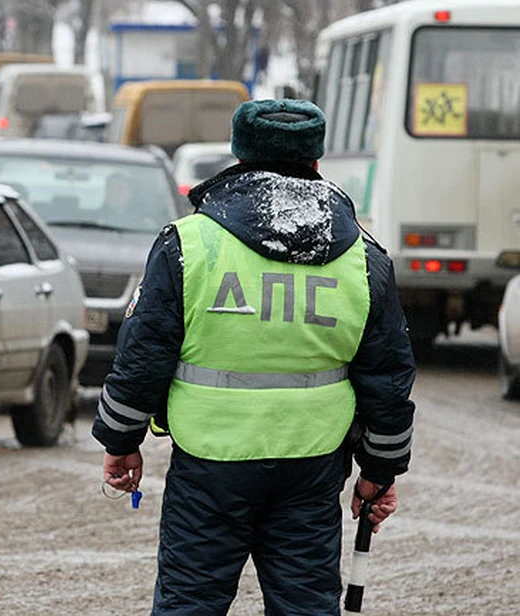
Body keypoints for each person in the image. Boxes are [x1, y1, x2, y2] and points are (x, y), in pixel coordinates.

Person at [94, 99, 416, 615]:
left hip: (208, 463)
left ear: (237, 155)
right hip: (311, 465)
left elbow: (143, 356)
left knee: (190, 605)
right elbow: (389, 377)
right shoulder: (362, 258)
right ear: (316, 162)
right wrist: (381, 469)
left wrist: (120, 440)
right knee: (305, 606)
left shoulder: (188, 244)